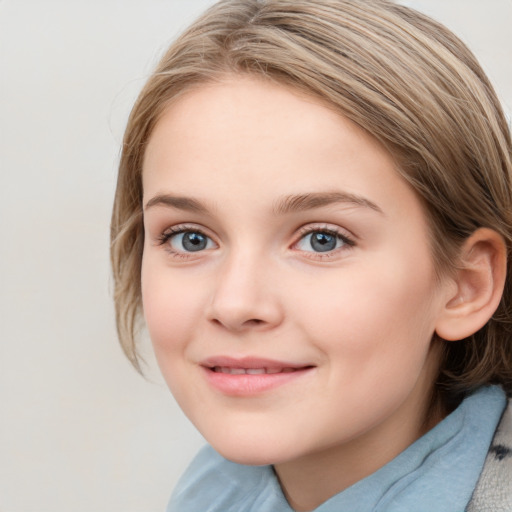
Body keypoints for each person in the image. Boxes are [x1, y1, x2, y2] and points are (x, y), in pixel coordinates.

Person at [110, 0, 512, 510]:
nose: (235, 303)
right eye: (191, 238)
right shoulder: (207, 494)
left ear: (464, 285)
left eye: (323, 239)